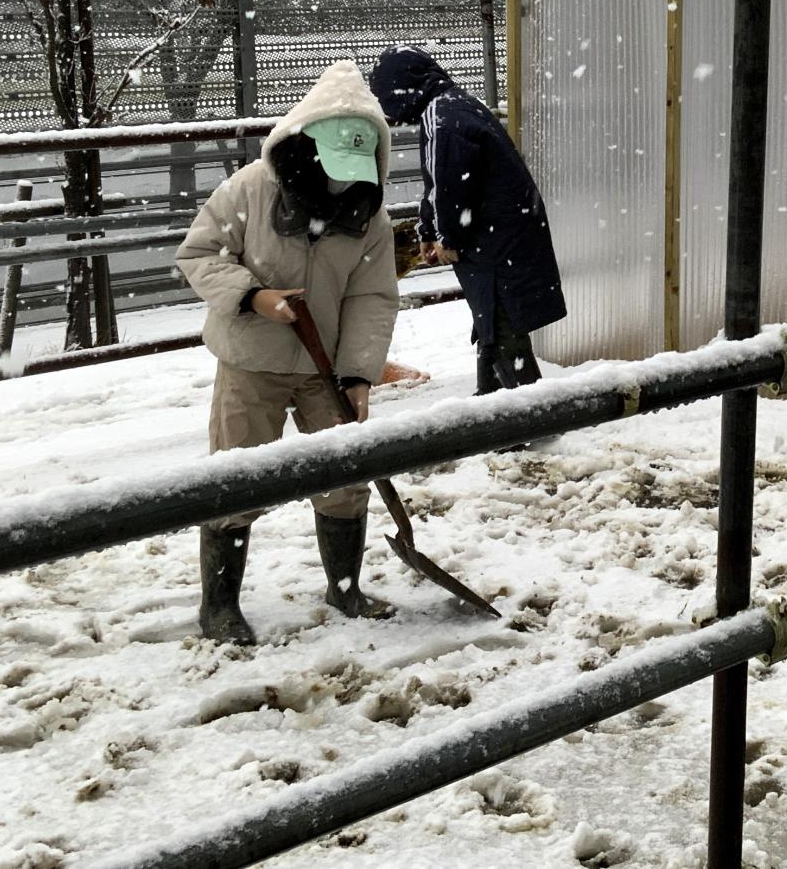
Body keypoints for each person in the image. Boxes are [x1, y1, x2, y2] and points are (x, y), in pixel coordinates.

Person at [176, 59, 400, 645]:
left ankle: (345, 587)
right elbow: (198, 254)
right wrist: (254, 297)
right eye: (333, 165)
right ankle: (219, 605)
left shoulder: (370, 214)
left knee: (345, 478)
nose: (342, 182)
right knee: (237, 480)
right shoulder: (250, 189)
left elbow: (372, 297)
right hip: (251, 361)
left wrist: (359, 374)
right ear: (306, 145)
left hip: (328, 367)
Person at [368, 46, 566, 393]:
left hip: (493, 240)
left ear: (401, 89)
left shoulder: (441, 117)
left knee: (500, 327)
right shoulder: (453, 105)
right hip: (507, 232)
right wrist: (428, 231)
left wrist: (447, 238)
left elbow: (447, 185)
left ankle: (530, 410)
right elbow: (441, 181)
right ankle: (492, 404)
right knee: (493, 325)